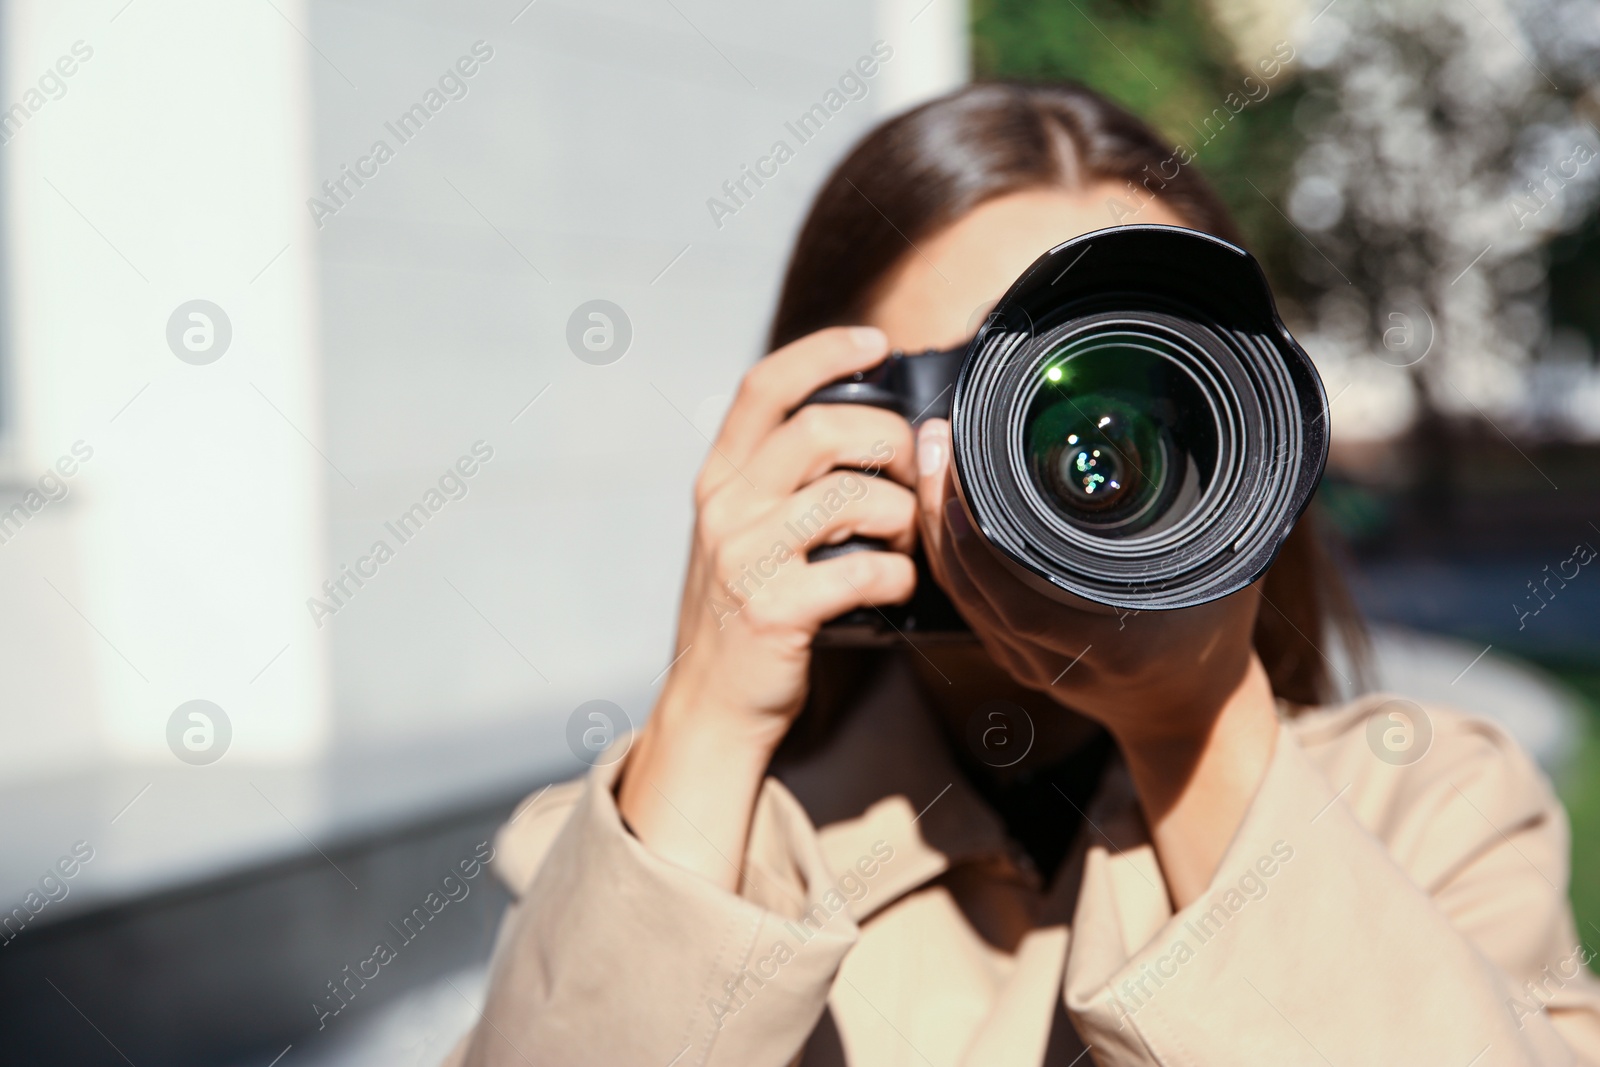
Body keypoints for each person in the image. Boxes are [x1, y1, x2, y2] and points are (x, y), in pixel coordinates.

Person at [448, 83, 1600, 1065]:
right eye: (976, 391)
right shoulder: (711, 846)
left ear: (1241, 434)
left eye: (1120, 386)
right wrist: (707, 710)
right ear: (833, 426)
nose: (1049, 462)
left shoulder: (1429, 810)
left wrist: (1196, 724)